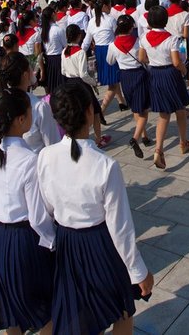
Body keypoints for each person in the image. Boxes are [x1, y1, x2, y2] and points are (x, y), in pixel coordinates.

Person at [36, 82, 153, 335]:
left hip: (66, 243)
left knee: (84, 317)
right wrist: (138, 271)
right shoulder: (105, 165)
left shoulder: (45, 156)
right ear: (90, 112)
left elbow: (45, 208)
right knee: (122, 312)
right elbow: (120, 228)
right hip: (101, 244)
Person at [0, 88, 54, 334]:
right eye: (29, 113)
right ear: (20, 119)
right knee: (42, 308)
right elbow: (39, 218)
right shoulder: (29, 161)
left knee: (9, 307)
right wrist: (53, 242)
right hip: (24, 240)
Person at [139, 6, 189, 170]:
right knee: (180, 110)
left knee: (164, 114)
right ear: (166, 20)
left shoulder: (144, 38)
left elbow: (141, 57)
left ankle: (158, 149)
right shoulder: (172, 39)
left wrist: (154, 62)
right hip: (170, 74)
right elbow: (176, 62)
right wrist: (184, 70)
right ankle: (183, 142)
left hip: (155, 74)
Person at [106, 15, 152, 158]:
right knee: (144, 110)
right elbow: (144, 58)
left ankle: (144, 135)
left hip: (125, 77)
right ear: (131, 27)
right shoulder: (138, 42)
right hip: (139, 75)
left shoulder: (113, 45)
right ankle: (135, 138)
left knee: (135, 108)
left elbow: (110, 61)